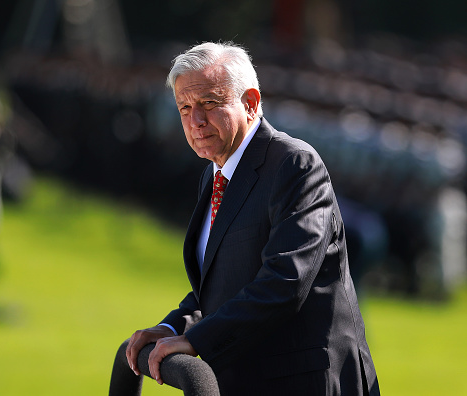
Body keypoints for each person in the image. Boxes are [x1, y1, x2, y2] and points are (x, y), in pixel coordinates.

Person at [124, 42, 379, 395]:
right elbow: (222, 285)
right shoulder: (214, 174)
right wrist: (172, 329)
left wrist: (198, 340)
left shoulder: (294, 165)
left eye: (209, 103)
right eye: (184, 107)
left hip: (306, 382)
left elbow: (285, 281)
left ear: (251, 103)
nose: (195, 121)